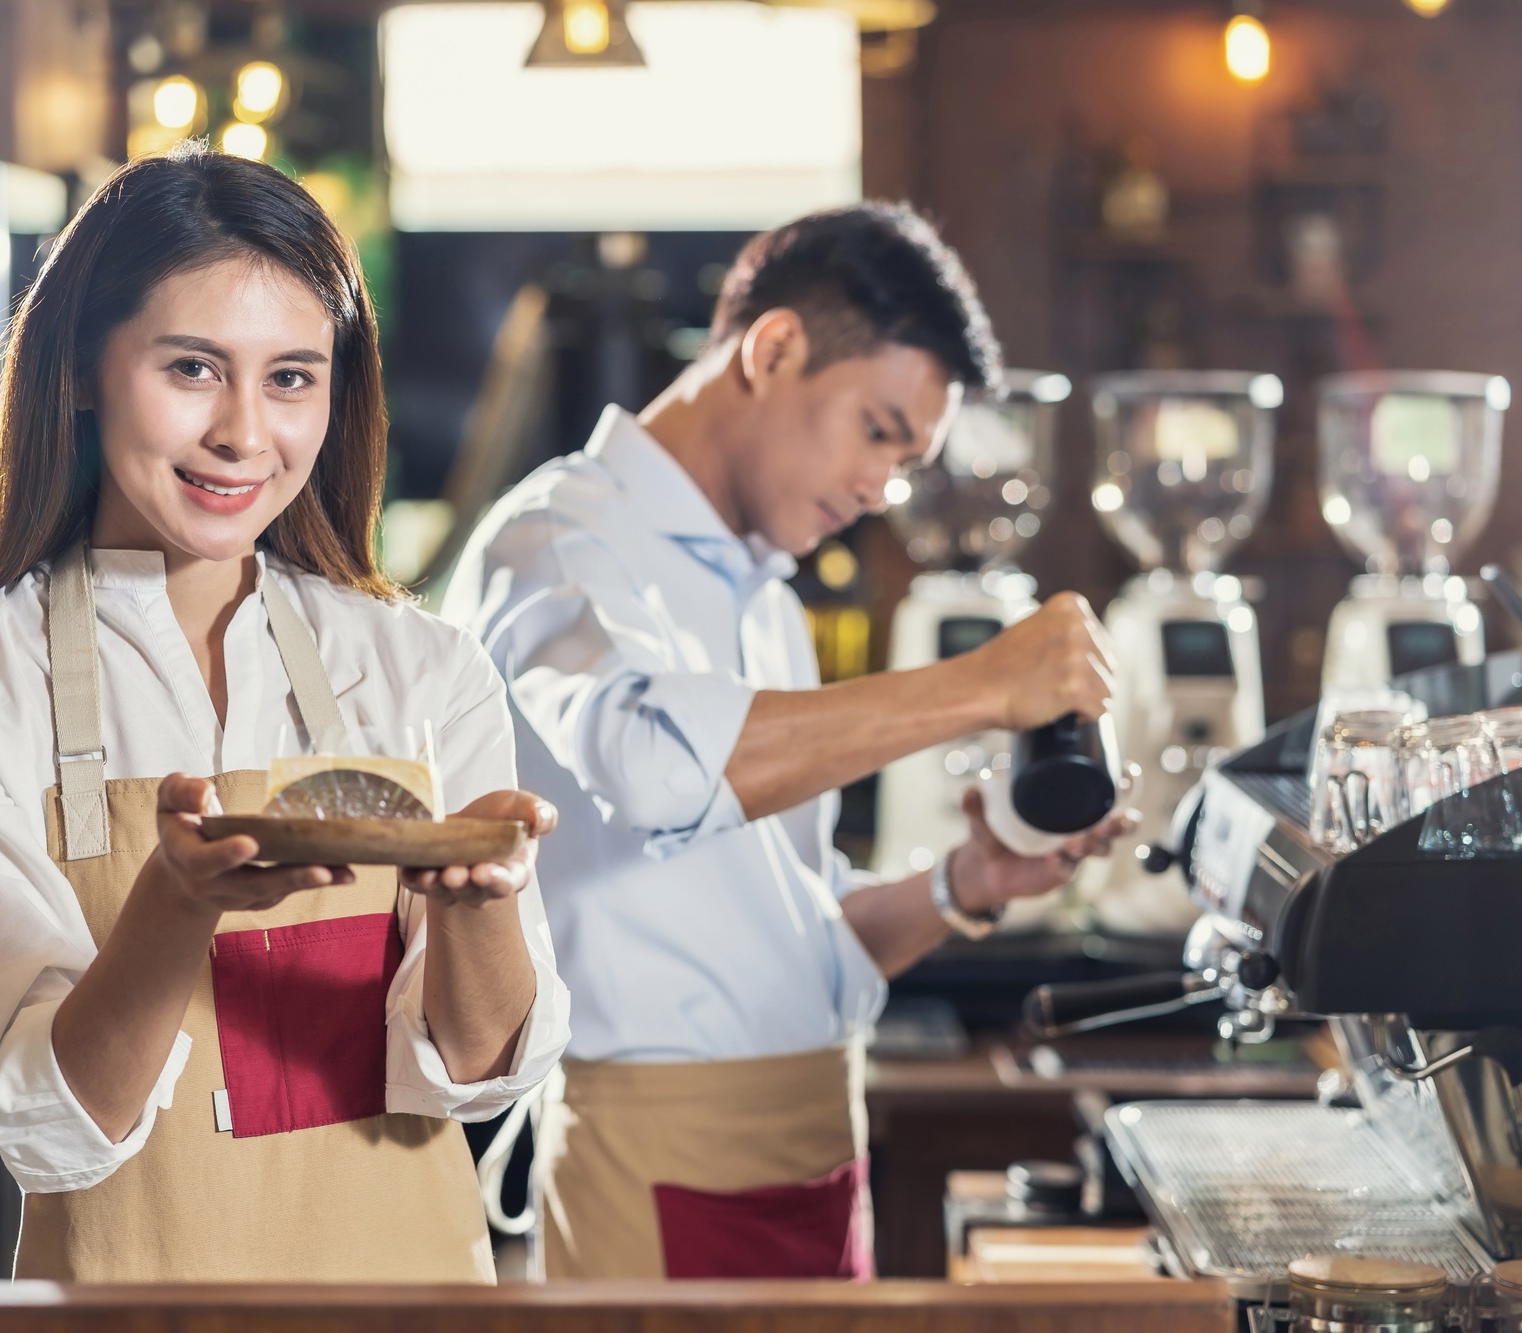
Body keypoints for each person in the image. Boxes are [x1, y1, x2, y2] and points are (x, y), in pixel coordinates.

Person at [0, 144, 570, 1284]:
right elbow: (52, 1124)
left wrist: (483, 899)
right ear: (83, 366)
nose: (245, 433)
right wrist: (173, 902)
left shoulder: (421, 665)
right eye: (192, 368)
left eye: (291, 377)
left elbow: (482, 1069)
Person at [442, 203, 1124, 1282]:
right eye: (877, 431)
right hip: (659, 1164)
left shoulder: (763, 594)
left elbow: (792, 943)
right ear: (772, 349)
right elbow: (657, 768)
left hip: (817, 1150)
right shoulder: (557, 539)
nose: (880, 489)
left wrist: (960, 883)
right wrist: (979, 685)